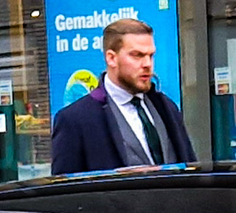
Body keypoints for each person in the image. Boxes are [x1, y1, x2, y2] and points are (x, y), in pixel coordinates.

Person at [50, 19, 193, 176]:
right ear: (111, 58)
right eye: (137, 55)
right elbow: (66, 193)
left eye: (151, 55)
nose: (147, 64)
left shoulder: (166, 107)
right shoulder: (74, 120)